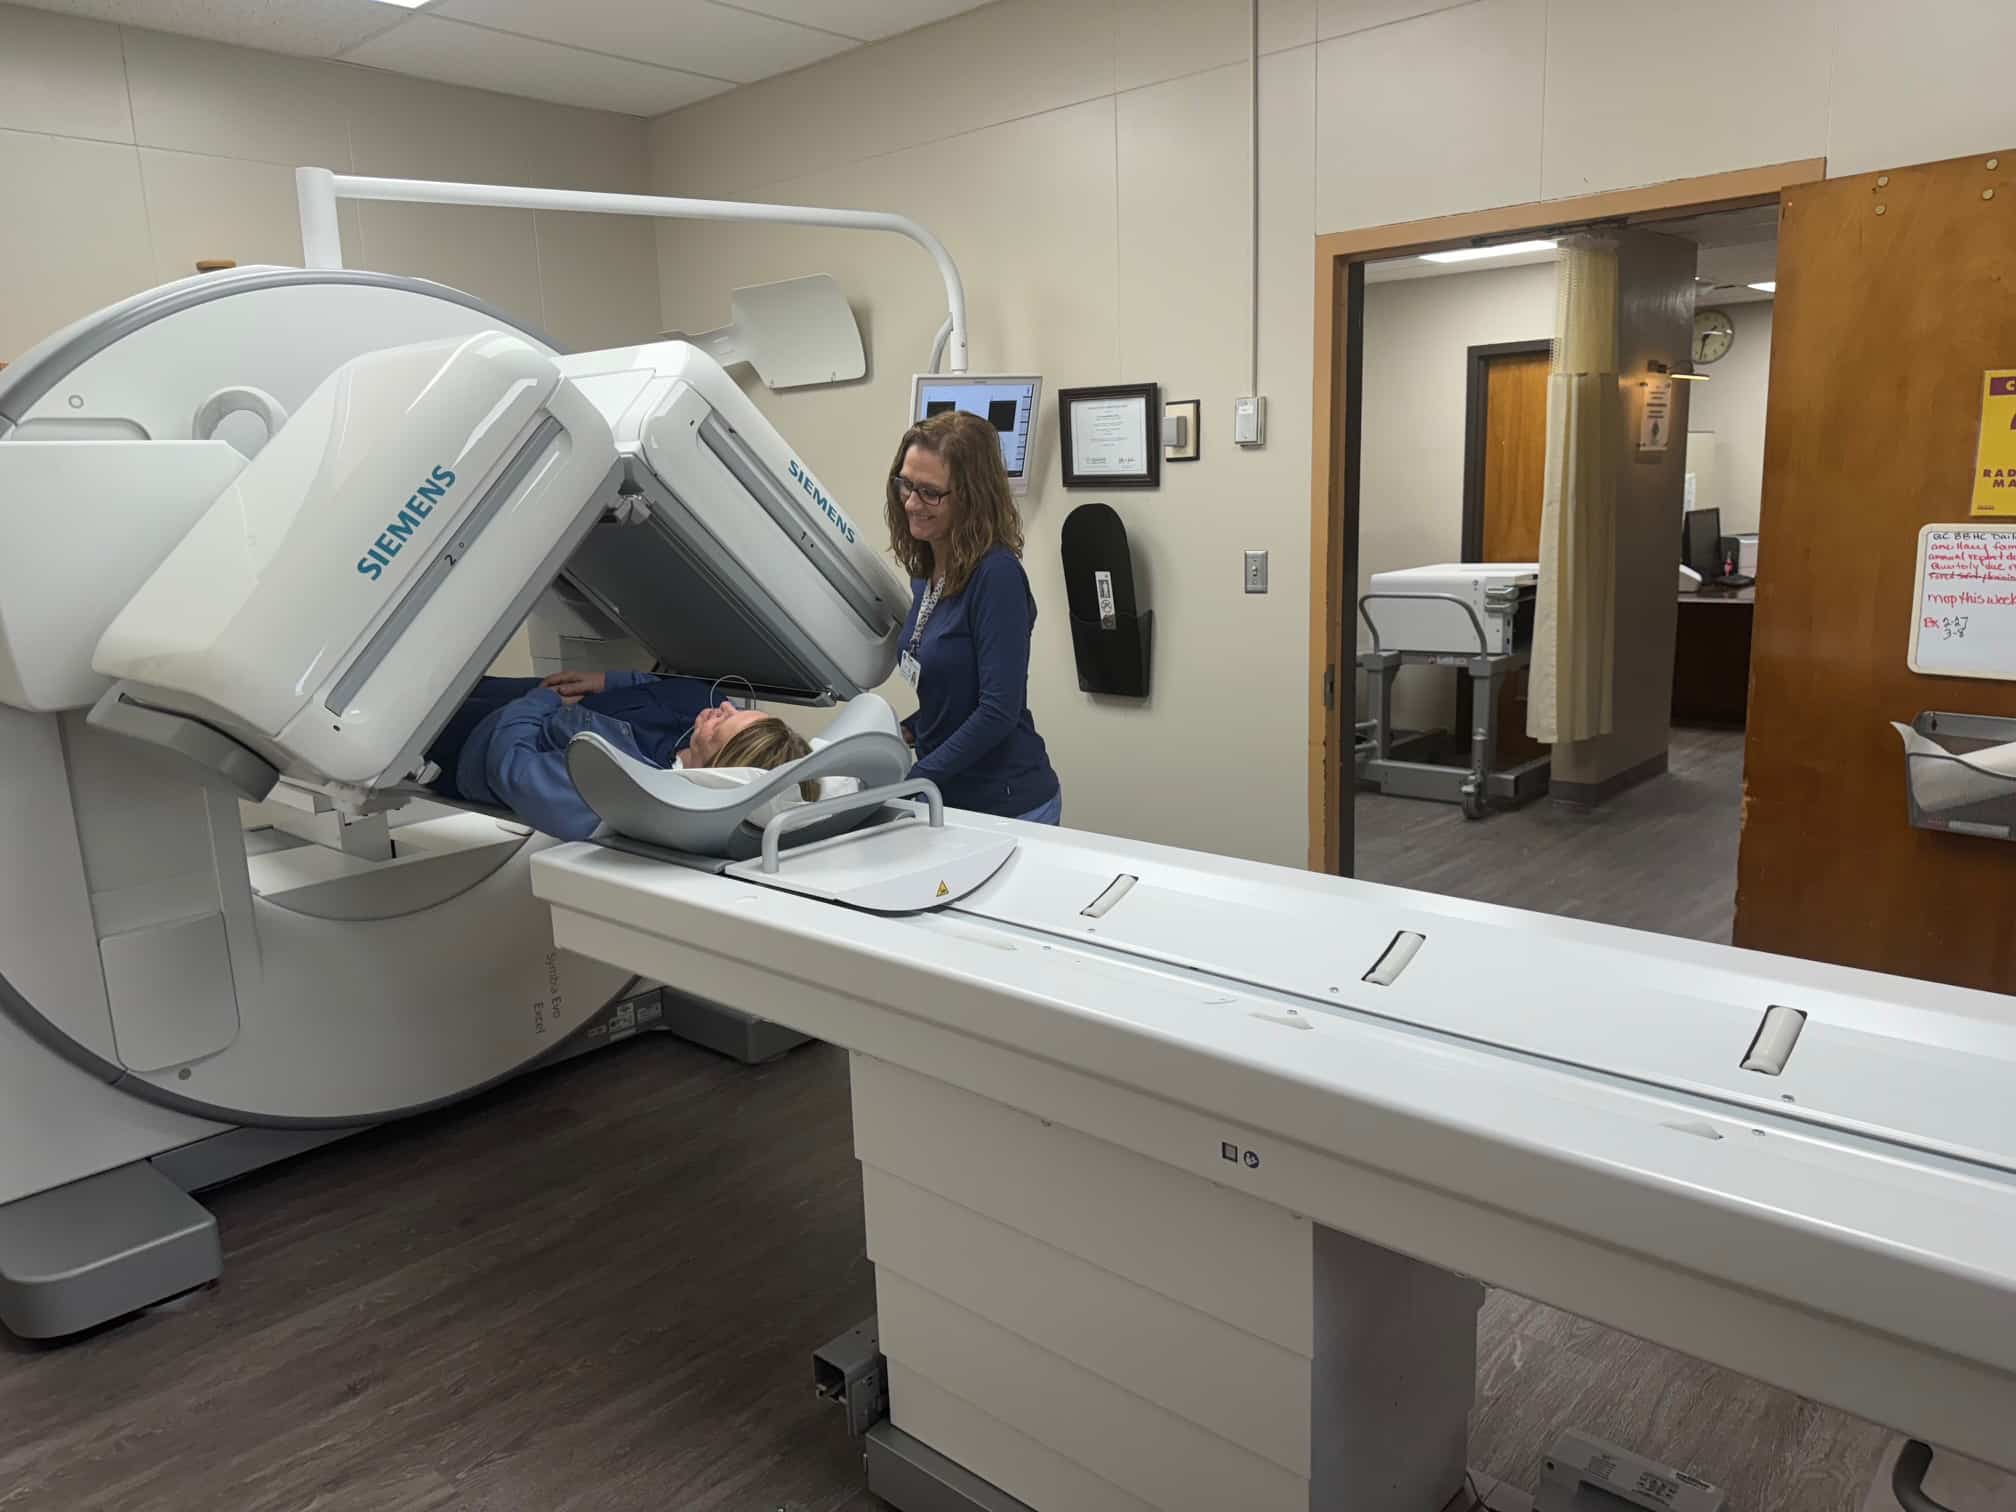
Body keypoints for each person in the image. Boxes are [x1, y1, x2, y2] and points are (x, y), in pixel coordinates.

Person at [886, 410, 1060, 823]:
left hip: (1008, 802)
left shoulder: (996, 576)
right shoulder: (927, 572)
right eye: (906, 485)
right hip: (949, 796)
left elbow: (998, 711)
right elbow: (952, 695)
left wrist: (915, 779)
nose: (911, 502)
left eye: (930, 493)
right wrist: (899, 734)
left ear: (971, 496)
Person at [423, 669, 811, 841]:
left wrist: (536, 703)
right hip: (537, 703)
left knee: (411, 708)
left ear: (716, 767)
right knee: (438, 678)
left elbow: (509, 767)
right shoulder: (702, 710)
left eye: (722, 725)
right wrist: (608, 680)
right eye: (737, 710)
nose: (722, 709)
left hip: (479, 742)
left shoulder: (618, 791)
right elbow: (664, 687)